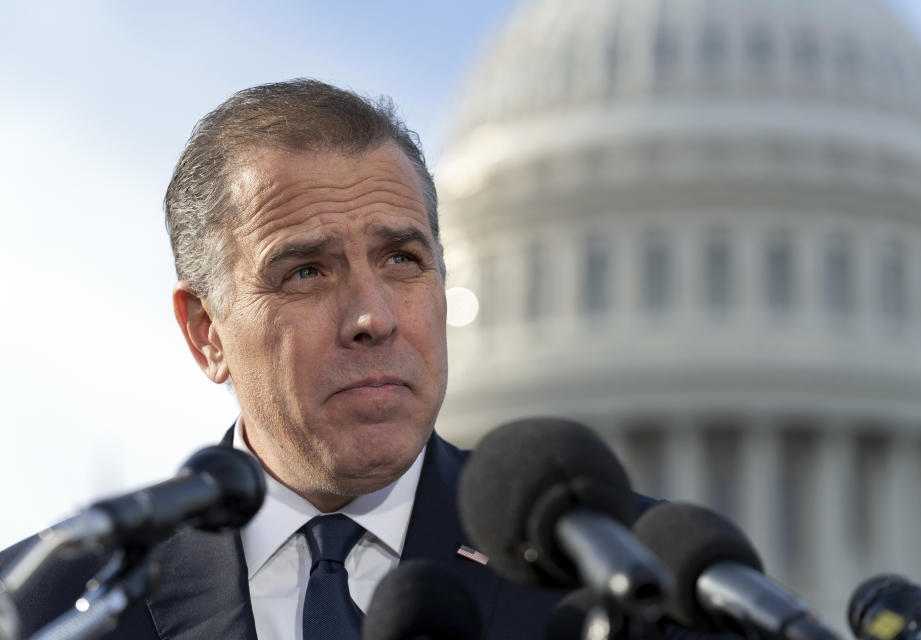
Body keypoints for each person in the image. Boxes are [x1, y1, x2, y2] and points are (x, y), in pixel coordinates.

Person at [0, 79, 659, 639]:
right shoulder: (42, 608)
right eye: (307, 272)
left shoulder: (643, 583)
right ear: (206, 332)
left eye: (402, 259)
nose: (374, 318)